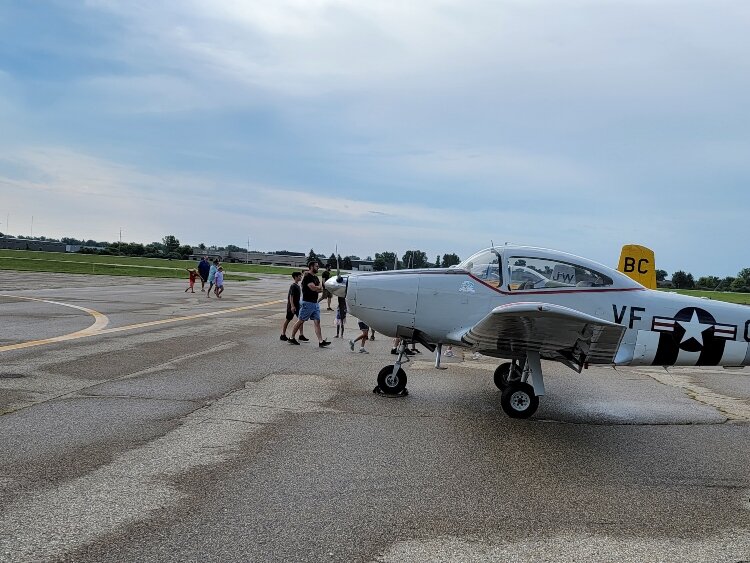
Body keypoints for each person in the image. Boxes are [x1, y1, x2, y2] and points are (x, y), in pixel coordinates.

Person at [289, 260, 331, 347]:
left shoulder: (315, 277)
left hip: (315, 303)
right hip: (307, 303)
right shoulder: (307, 277)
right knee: (301, 320)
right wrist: (318, 288)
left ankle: (320, 341)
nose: (318, 267)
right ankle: (292, 338)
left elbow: (320, 287)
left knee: (317, 322)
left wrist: (318, 288)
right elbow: (314, 288)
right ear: (311, 267)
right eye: (316, 266)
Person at [280, 272, 308, 342]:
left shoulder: (297, 285)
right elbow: (291, 296)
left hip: (298, 306)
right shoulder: (293, 286)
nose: (300, 278)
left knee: (300, 320)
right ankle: (283, 334)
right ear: (295, 277)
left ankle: (301, 335)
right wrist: (292, 306)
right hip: (292, 306)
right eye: (299, 276)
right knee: (288, 319)